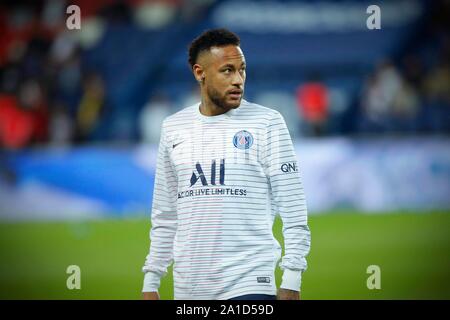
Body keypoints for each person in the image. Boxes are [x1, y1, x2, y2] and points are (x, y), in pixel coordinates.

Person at [142, 29, 311, 300]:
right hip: (189, 288)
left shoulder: (267, 122)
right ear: (200, 73)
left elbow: (293, 208)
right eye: (227, 71)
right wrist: (151, 281)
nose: (238, 80)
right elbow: (165, 215)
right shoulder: (173, 127)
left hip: (250, 283)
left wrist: (292, 276)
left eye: (242, 70)